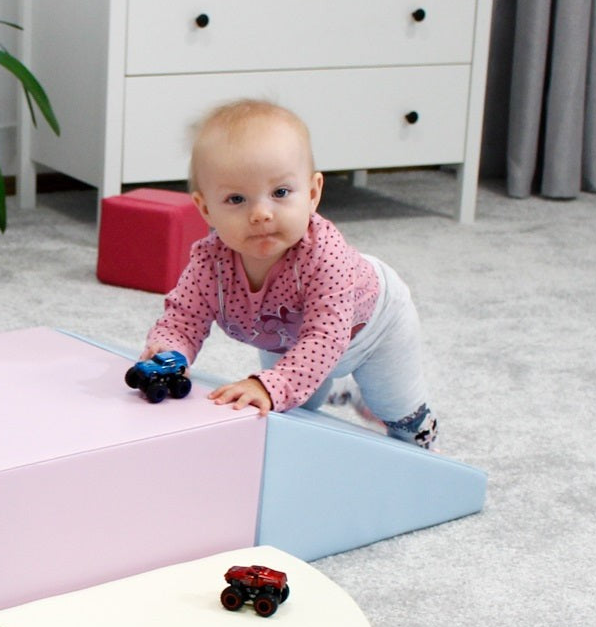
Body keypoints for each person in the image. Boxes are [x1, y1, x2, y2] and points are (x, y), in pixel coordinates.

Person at [142, 98, 438, 449]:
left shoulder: (325, 256)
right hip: (287, 337)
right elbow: (183, 318)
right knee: (293, 408)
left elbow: (325, 337)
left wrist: (270, 385)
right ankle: (337, 387)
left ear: (312, 194)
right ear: (205, 208)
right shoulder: (210, 262)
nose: (261, 214)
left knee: (396, 409)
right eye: (237, 199)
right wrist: (169, 354)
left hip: (374, 330)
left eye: (280, 193)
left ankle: (423, 446)